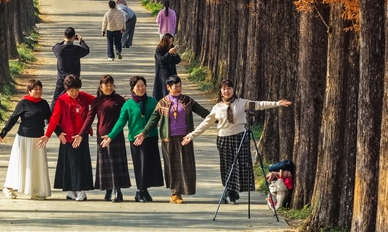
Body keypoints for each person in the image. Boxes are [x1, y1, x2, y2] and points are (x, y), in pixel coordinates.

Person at [182, 79, 292, 204]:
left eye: (229, 88)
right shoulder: (217, 107)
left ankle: (232, 192)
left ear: (233, 90)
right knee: (228, 167)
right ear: (220, 91)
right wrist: (191, 135)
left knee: (240, 166)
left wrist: (277, 103)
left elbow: (259, 104)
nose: (226, 91)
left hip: (240, 137)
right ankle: (229, 192)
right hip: (224, 139)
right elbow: (206, 123)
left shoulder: (242, 103)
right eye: (224, 88)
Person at [136, 75, 210, 204]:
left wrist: (218, 118)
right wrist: (144, 133)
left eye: (180, 86)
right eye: (175, 87)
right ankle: (175, 193)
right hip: (168, 140)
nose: (178, 89)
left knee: (186, 165)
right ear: (168, 87)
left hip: (185, 138)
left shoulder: (187, 100)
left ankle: (183, 190)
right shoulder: (162, 102)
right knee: (172, 166)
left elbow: (203, 112)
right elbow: (153, 120)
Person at [102, 75, 164, 202]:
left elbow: (159, 117)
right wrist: (110, 136)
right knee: (140, 165)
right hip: (136, 139)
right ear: (133, 89)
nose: (141, 88)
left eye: (143, 85)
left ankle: (144, 190)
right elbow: (121, 122)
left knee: (150, 165)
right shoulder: (128, 105)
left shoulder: (153, 101)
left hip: (151, 137)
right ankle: (139, 192)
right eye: (138, 86)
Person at [0, 79, 52, 200]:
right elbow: (12, 119)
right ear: (29, 91)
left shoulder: (44, 104)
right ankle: (8, 188)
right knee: (18, 163)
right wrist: (2, 134)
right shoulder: (23, 103)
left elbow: (52, 121)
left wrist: (60, 133)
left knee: (37, 166)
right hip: (23, 139)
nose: (38, 91)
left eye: (40, 89)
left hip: (38, 140)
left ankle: (36, 191)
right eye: (35, 89)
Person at [79, 75, 131, 202]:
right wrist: (81, 134)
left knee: (116, 164)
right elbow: (89, 118)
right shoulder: (97, 101)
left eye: (111, 84)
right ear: (100, 87)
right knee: (106, 165)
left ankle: (117, 191)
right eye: (106, 85)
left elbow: (127, 116)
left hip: (115, 135)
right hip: (102, 136)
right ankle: (108, 189)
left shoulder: (119, 100)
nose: (109, 87)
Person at [45, 75, 95, 201]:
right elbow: (54, 119)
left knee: (81, 163)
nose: (74, 93)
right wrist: (48, 135)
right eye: (71, 90)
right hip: (68, 137)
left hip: (82, 135)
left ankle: (82, 190)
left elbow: (98, 102)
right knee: (69, 163)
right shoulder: (61, 100)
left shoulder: (84, 96)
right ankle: (70, 190)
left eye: (76, 90)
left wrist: (116, 99)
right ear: (66, 89)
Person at [51, 27, 90, 105]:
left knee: (56, 99)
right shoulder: (76, 49)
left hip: (61, 78)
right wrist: (81, 41)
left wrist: (65, 40)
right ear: (73, 37)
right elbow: (86, 50)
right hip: (73, 79)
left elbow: (54, 47)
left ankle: (52, 116)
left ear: (64, 36)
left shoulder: (59, 49)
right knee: (73, 100)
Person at [153, 34, 180, 100]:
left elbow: (178, 61)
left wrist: (175, 54)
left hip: (172, 72)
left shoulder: (171, 48)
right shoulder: (159, 49)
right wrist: (169, 53)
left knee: (172, 89)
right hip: (162, 74)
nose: (171, 43)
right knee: (163, 90)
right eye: (169, 42)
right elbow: (161, 60)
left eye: (172, 42)